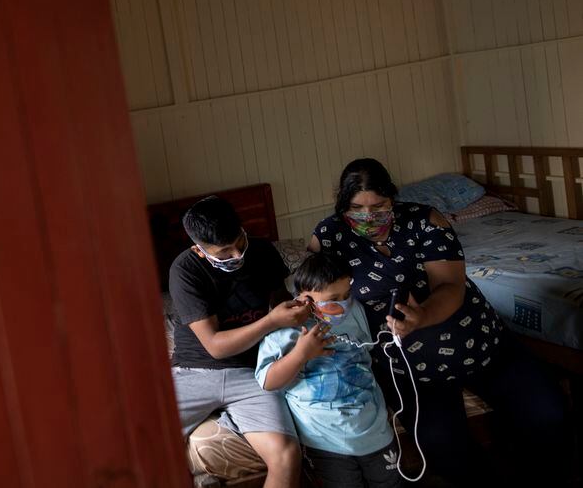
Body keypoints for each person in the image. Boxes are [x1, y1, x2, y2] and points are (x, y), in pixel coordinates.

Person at [309, 158, 569, 486]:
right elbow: (315, 292)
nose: (369, 216)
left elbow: (451, 286)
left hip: (480, 344)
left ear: (393, 198)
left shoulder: (425, 220)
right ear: (343, 205)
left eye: (379, 205)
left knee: (548, 410)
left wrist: (423, 316)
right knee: (443, 445)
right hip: (410, 370)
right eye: (357, 207)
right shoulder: (329, 236)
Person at [169, 196, 311, 488]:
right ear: (199, 250)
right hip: (194, 371)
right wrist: (272, 321)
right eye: (224, 253)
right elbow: (216, 346)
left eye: (240, 243)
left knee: (286, 455)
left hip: (253, 371)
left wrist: (296, 309)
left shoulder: (262, 251)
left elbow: (278, 302)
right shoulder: (185, 270)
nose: (237, 254)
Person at [256, 253, 402, 488]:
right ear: (305, 298)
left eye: (347, 295)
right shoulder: (286, 330)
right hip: (325, 438)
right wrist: (300, 354)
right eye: (334, 298)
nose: (343, 303)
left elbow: (373, 348)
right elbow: (268, 381)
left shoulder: (356, 312)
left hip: (374, 430)